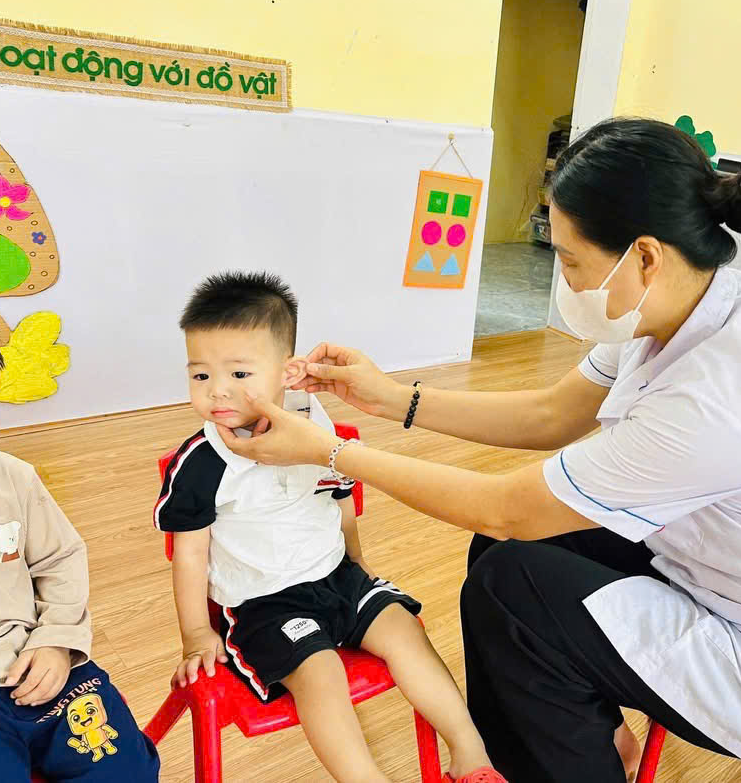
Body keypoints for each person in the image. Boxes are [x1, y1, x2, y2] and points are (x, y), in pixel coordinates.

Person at [214, 119, 741, 783]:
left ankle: (557, 754)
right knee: (504, 555)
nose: (565, 280)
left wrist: (330, 452)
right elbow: (551, 414)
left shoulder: (715, 400)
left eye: (570, 260)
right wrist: (391, 397)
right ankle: (586, 735)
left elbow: (509, 506)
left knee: (512, 587)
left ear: (645, 256)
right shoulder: (689, 303)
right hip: (730, 577)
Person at [154, 272, 505, 783]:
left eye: (239, 373)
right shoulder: (201, 462)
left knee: (405, 633)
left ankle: (472, 757)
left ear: (287, 372)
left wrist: (358, 563)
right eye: (201, 376)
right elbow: (189, 554)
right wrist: (194, 635)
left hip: (338, 576)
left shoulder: (315, 428)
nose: (217, 391)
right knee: (322, 674)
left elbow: (339, 499)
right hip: (264, 604)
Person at [0, 293, 160, 782]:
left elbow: (60, 559)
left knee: (127, 771)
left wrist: (57, 640)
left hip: (42, 664)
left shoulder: (10, 476)